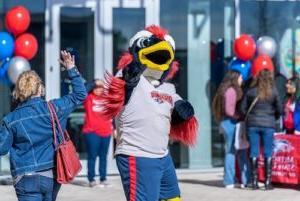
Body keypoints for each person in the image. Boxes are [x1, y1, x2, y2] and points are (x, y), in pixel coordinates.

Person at [101, 25, 198, 201]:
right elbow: (119, 87)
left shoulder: (168, 87)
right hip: (138, 155)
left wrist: (183, 112)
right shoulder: (129, 78)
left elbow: (175, 108)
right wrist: (131, 72)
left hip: (163, 155)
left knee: (173, 198)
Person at [0, 51, 87, 201]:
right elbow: (80, 94)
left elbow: (2, 148)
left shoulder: (10, 120)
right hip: (51, 176)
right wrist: (71, 68)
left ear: (19, 91)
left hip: (25, 177)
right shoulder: (55, 108)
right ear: (40, 89)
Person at [241, 67, 282, 190]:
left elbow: (242, 109)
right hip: (268, 125)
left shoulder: (251, 91)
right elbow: (279, 109)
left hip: (253, 125)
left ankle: (254, 182)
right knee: (268, 152)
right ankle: (267, 182)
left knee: (254, 152)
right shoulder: (273, 91)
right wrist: (273, 117)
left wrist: (251, 116)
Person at [212, 70, 250, 189]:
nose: (242, 80)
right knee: (233, 152)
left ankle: (235, 179)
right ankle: (232, 180)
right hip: (231, 123)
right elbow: (230, 111)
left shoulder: (226, 90)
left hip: (227, 123)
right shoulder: (231, 91)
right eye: (240, 77)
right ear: (235, 78)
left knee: (234, 151)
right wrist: (240, 116)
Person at [82, 79, 114, 187]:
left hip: (106, 131)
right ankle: (91, 179)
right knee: (92, 156)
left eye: (101, 87)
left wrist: (114, 129)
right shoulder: (88, 98)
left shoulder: (107, 99)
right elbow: (84, 89)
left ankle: (103, 178)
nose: (99, 89)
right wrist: (94, 83)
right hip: (92, 132)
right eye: (96, 87)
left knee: (103, 156)